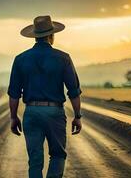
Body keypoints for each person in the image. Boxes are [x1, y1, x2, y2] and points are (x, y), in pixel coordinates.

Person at [7, 15, 82, 178]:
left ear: (35, 36)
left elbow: (14, 94)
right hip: (54, 112)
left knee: (34, 160)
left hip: (31, 112)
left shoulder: (20, 59)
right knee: (57, 155)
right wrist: (77, 116)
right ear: (52, 35)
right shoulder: (63, 58)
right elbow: (74, 91)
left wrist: (13, 117)